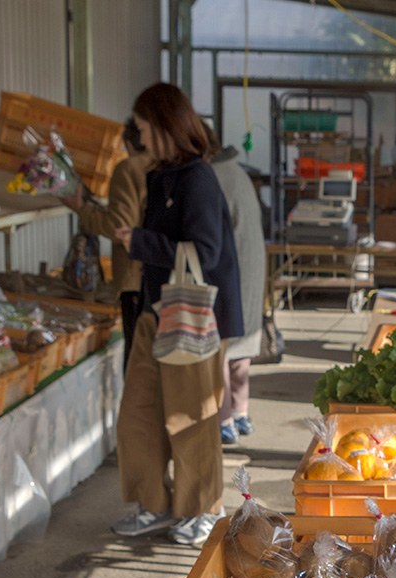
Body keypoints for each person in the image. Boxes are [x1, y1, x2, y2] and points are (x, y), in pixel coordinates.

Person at [111, 83, 244, 548]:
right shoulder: (162, 175)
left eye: (145, 127)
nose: (140, 137)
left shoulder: (197, 179)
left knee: (191, 417)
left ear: (165, 126)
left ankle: (201, 508)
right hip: (156, 308)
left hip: (191, 317)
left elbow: (206, 252)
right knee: (138, 415)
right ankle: (154, 501)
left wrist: (141, 243)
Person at [63, 118, 154, 361]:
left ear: (128, 142)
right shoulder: (161, 165)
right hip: (158, 274)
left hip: (135, 277)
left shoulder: (129, 168)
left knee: (136, 361)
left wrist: (82, 209)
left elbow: (119, 226)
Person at [210, 140, 265, 445]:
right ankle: (242, 414)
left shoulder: (212, 177)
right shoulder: (238, 173)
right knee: (241, 347)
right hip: (252, 266)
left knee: (222, 346)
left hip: (231, 269)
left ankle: (224, 420)